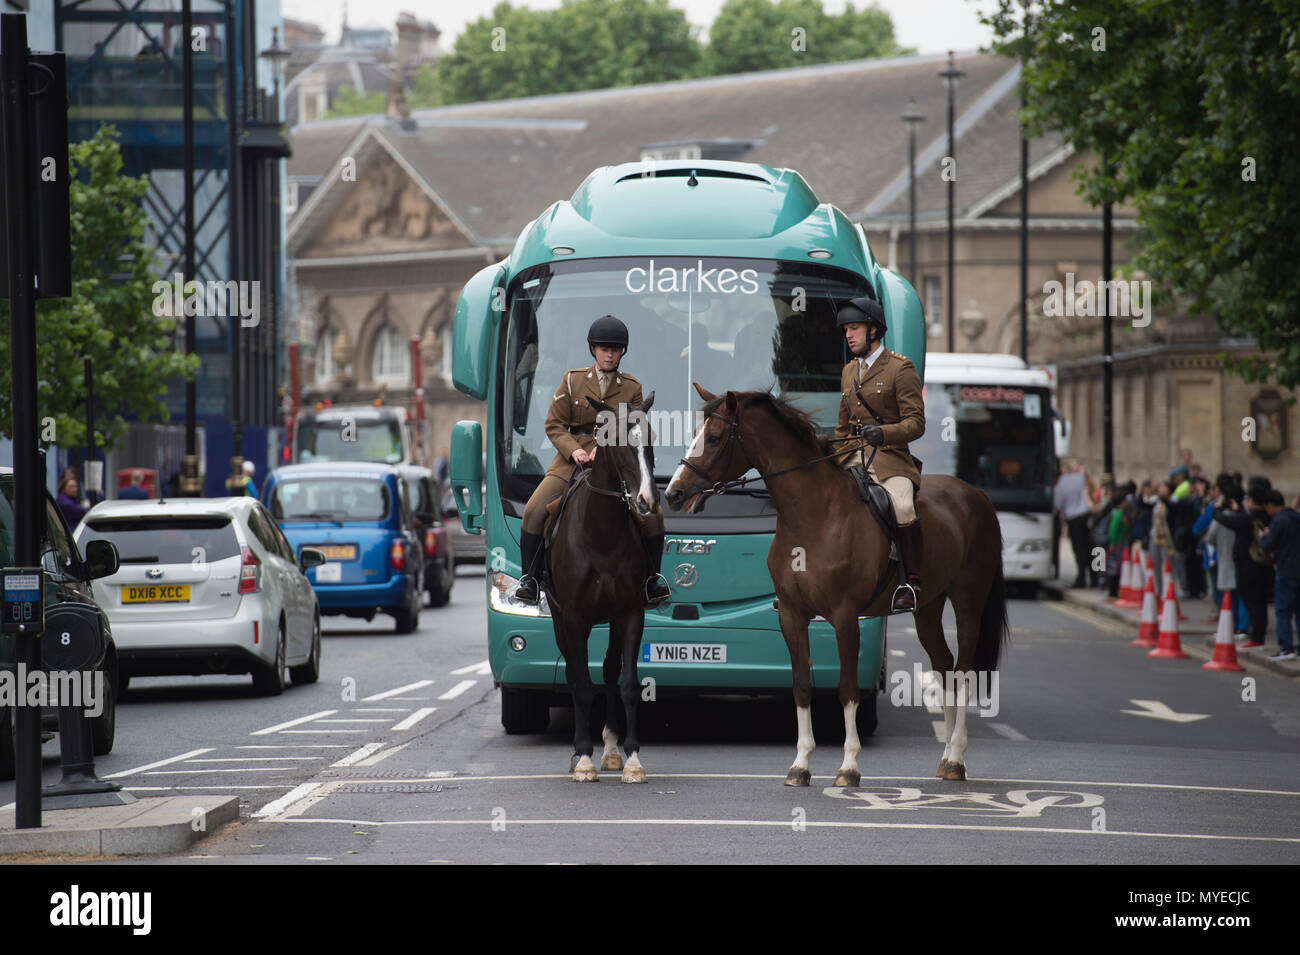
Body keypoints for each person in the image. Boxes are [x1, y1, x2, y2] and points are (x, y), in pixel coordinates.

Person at [515, 315, 669, 607]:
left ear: (623, 351)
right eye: (603, 348)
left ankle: (651, 580)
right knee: (534, 509)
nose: (609, 354)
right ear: (593, 349)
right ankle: (530, 580)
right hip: (570, 461)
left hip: (615, 462)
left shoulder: (632, 388)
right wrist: (574, 449)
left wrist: (605, 446)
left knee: (653, 515)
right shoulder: (572, 381)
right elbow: (554, 425)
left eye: (614, 349)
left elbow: (636, 428)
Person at [829, 296, 926, 612]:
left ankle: (910, 583)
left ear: (874, 331)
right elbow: (843, 428)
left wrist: (883, 433)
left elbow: (916, 422)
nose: (848, 336)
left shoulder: (900, 368)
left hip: (890, 458)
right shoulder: (848, 372)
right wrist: (829, 454)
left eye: (854, 329)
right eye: (846, 330)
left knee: (901, 505)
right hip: (851, 456)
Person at [1214, 485, 1269, 647]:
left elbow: (1227, 521)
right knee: (1260, 602)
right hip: (1264, 565)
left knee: (1252, 602)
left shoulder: (1248, 519)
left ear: (1251, 500)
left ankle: (1257, 637)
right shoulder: (1265, 517)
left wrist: (1217, 510)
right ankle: (1259, 635)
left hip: (1247, 565)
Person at [1258, 490, 1299, 661]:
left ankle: (1286, 647)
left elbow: (1268, 546)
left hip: (1285, 571)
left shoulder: (1278, 521)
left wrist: (1262, 537)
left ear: (1269, 505)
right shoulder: (1296, 517)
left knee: (1282, 611)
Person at [1054, 459, 1094, 588]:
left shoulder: (1060, 484)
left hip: (1073, 518)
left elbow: (1058, 505)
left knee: (1079, 549)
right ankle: (1096, 578)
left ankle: (1081, 578)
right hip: (1086, 514)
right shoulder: (1080, 478)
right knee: (1091, 547)